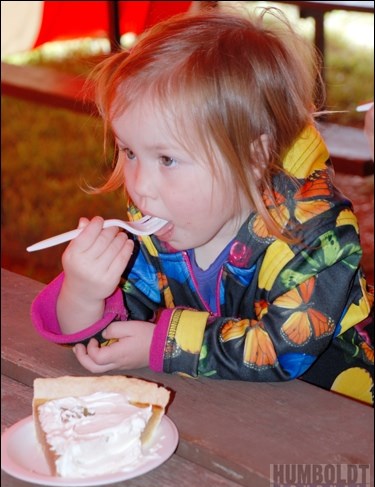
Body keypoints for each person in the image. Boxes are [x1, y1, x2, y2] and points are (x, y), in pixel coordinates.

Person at [31, 8, 374, 405]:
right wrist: (84, 293)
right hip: (223, 414)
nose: (141, 186)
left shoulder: (318, 235)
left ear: (253, 156)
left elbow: (284, 349)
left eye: (167, 159)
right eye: (129, 151)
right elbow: (110, 331)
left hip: (337, 421)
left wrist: (164, 344)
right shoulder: (162, 221)